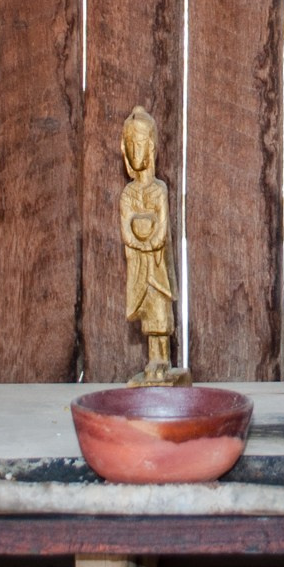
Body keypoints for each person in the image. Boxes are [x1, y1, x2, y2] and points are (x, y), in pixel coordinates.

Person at [120, 106, 178, 384]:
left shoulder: (159, 190)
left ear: (152, 148)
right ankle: (152, 360)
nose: (135, 151)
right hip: (141, 263)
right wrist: (137, 242)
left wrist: (151, 241)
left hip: (156, 264)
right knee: (146, 309)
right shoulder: (128, 193)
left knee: (159, 309)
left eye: (140, 144)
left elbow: (163, 228)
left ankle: (162, 359)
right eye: (130, 145)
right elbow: (126, 228)